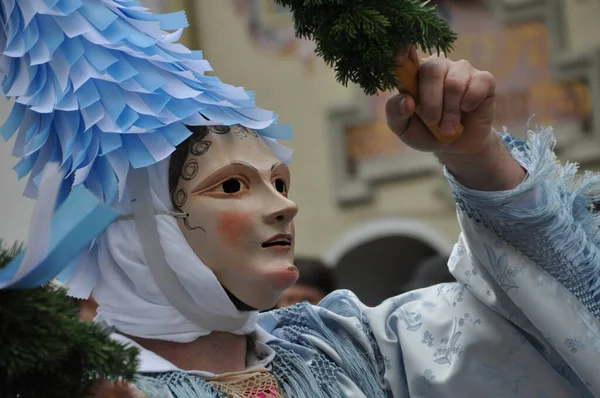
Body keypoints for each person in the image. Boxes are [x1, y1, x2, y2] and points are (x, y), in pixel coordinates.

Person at [2, 2, 599, 397]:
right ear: (138, 233)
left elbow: (553, 323)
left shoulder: (342, 345)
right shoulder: (69, 386)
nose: (284, 206)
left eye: (280, 182)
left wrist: (476, 155)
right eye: (233, 185)